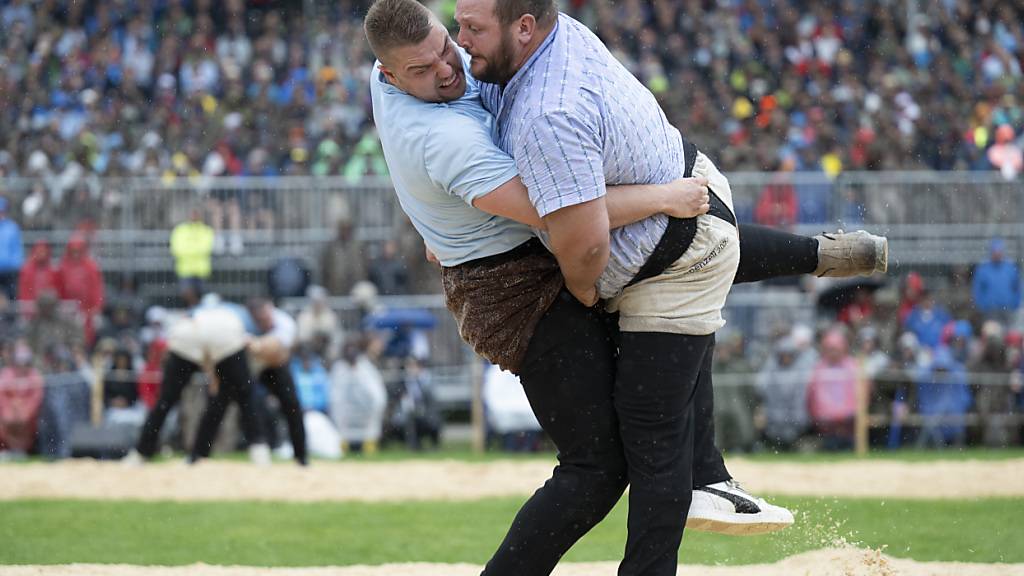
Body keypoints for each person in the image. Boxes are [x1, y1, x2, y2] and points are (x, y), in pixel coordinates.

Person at [363, 2, 886, 574]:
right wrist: (661, 196)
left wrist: (433, 220)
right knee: (601, 464)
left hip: (513, 259)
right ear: (390, 75)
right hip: (518, 293)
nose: (448, 64)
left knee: (672, 269)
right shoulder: (449, 141)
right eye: (422, 68)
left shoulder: (397, 69)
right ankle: (703, 472)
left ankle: (710, 466)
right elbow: (566, 215)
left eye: (449, 42)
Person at [125, 302, 269, 465]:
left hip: (189, 335)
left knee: (166, 400)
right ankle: (258, 450)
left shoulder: (211, 313)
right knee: (245, 397)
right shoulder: (240, 320)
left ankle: (142, 452)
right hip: (220, 337)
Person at [246, 297, 308, 466]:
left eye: (266, 317)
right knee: (249, 406)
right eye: (259, 319)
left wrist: (257, 345)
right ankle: (259, 449)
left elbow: (278, 349)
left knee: (292, 406)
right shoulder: (245, 322)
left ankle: (301, 456)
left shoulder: (284, 322)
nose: (264, 321)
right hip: (250, 367)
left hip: (276, 367)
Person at [972, 238, 1021, 325]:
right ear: (991, 253)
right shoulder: (983, 269)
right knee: (992, 334)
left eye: (999, 252)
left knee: (1009, 334)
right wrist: (982, 305)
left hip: (1008, 308)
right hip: (990, 310)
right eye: (995, 252)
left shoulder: (1010, 268)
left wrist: (1016, 303)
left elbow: (1018, 287)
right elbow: (977, 289)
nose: (997, 255)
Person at [170, 208, 215, 296]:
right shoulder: (180, 230)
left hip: (201, 270)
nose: (194, 216)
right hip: (185, 270)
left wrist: (188, 250)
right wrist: (196, 250)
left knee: (200, 297)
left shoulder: (206, 230)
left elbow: (207, 248)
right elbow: (176, 249)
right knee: (187, 295)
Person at [0, 197, 24, 301]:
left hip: (9, 271)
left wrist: (15, 265)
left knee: (11, 298)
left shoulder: (12, 227)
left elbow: (17, 249)